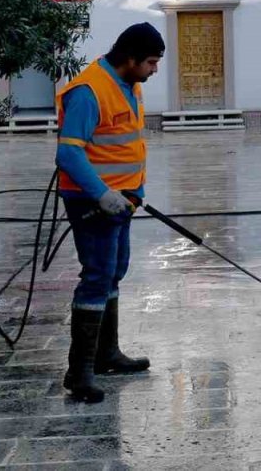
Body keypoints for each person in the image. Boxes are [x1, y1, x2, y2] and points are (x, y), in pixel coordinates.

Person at [55, 22, 164, 403]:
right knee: (98, 275)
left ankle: (107, 354)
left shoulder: (129, 85)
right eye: (151, 62)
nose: (154, 69)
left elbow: (124, 146)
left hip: (123, 200)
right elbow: (68, 153)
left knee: (114, 271)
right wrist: (102, 194)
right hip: (93, 201)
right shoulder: (88, 91)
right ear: (130, 59)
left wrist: (135, 192)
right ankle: (79, 372)